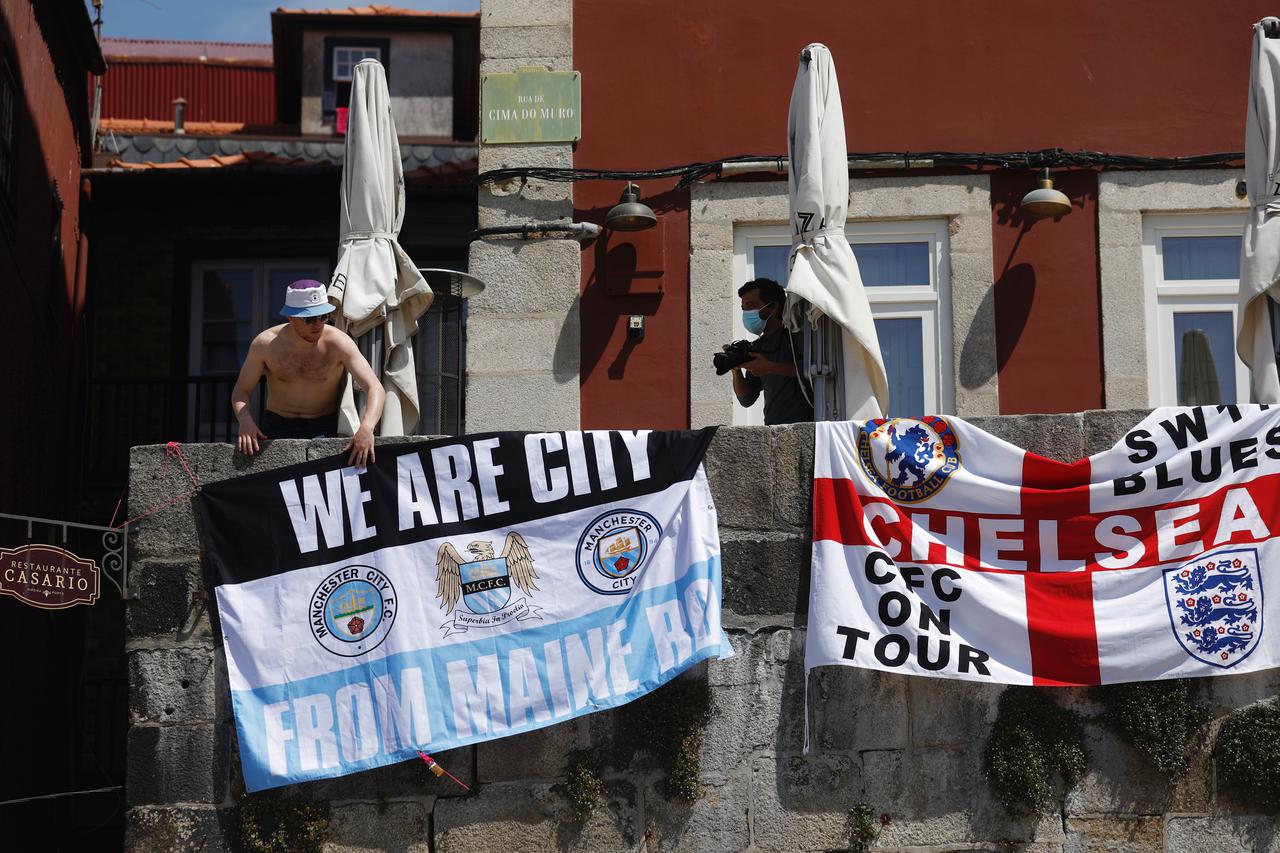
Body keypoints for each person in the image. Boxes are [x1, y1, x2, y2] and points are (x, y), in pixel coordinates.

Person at [232, 279, 385, 466]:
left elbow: (375, 387)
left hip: (323, 425)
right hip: (276, 425)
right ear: (291, 317)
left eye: (323, 316)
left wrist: (367, 427)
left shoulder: (338, 343)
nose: (318, 324)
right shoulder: (266, 345)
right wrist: (245, 419)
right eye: (310, 318)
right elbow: (241, 390)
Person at [726, 277, 813, 425]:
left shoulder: (798, 337)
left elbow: (815, 370)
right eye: (744, 308)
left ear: (772, 307)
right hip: (773, 426)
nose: (746, 312)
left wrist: (770, 367)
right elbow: (746, 398)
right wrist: (734, 367)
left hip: (806, 425)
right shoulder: (759, 347)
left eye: (751, 305)